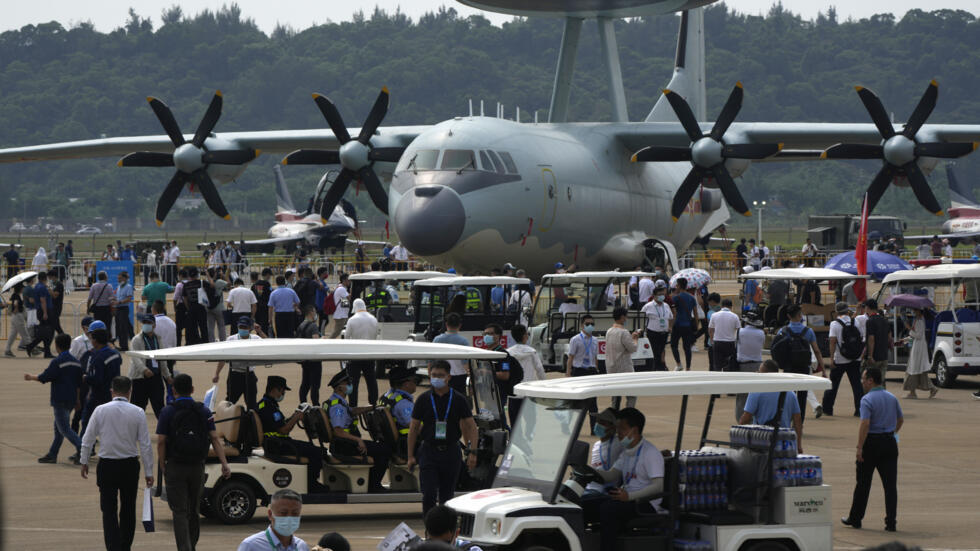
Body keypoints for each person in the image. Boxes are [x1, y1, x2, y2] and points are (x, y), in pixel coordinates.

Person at [157, 373, 231, 551]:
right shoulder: (203, 411)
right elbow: (214, 438)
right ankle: (193, 544)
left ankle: (184, 547)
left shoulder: (168, 411)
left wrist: (162, 464)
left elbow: (161, 441)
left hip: (175, 464)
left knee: (179, 511)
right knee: (193, 509)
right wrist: (224, 463)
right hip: (197, 465)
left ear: (173, 390)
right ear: (192, 390)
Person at [79, 376, 154, 551]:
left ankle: (112, 547)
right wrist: (149, 471)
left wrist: (84, 461)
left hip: (107, 465)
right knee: (128, 509)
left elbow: (87, 438)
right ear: (130, 392)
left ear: (112, 391)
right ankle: (125, 545)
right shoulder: (138, 412)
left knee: (109, 510)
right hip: (129, 465)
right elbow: (145, 444)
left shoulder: (100, 410)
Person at [582, 408, 664, 551]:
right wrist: (588, 471)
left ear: (634, 430)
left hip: (645, 503)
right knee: (585, 505)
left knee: (608, 509)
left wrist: (629, 496)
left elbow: (658, 486)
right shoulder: (627, 452)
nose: (618, 432)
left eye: (622, 429)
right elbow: (611, 474)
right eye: (618, 428)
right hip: (626, 498)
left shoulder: (650, 453)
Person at [407, 360, 479, 514]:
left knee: (447, 497)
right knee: (429, 495)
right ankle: (429, 528)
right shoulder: (423, 399)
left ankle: (446, 531)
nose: (437, 378)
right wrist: (410, 455)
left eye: (440, 375)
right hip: (428, 452)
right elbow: (413, 429)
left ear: (448, 377)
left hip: (451, 451)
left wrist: (473, 451)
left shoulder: (459, 399)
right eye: (434, 375)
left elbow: (471, 426)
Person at [842, 368, 903, 532]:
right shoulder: (892, 397)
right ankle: (891, 522)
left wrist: (860, 447)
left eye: (863, 379)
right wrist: (893, 433)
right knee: (890, 486)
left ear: (870, 380)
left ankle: (855, 518)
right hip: (889, 443)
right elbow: (900, 419)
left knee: (863, 483)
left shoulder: (866, 399)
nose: (862, 382)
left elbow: (865, 424)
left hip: (871, 443)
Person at [24, 333, 84, 464]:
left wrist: (30, 377)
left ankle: (82, 449)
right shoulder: (76, 363)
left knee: (64, 429)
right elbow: (79, 384)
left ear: (57, 346)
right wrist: (78, 400)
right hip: (71, 399)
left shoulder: (57, 362)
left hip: (60, 399)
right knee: (59, 429)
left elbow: (44, 377)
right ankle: (52, 454)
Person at [257, 376, 324, 491]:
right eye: (282, 391)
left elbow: (279, 425)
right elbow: (283, 430)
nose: (283, 394)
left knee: (311, 448)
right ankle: (312, 485)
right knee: (317, 452)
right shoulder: (268, 407)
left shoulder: (266, 404)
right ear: (274, 390)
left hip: (277, 443)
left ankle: (310, 482)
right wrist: (296, 418)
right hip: (278, 446)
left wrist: (293, 416)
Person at [326, 371, 389, 491]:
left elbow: (352, 411)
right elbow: (338, 431)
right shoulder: (337, 407)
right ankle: (373, 485)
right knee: (384, 450)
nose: (350, 385)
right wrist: (358, 440)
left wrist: (372, 407)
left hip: (343, 443)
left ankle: (372, 483)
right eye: (347, 383)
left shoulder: (337, 401)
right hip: (345, 446)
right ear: (339, 387)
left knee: (379, 448)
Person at [773, 304, 825, 420]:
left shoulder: (783, 330)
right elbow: (816, 351)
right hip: (803, 367)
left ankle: (788, 418)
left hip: (789, 367)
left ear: (788, 316)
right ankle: (799, 422)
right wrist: (823, 369)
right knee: (803, 396)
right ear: (800, 315)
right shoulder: (808, 331)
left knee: (788, 395)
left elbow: (776, 349)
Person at [739, 360, 804, 453]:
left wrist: (738, 438)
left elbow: (746, 418)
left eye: (759, 372)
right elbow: (798, 421)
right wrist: (798, 446)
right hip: (784, 443)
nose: (757, 373)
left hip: (762, 441)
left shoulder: (756, 391)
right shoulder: (790, 393)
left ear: (765, 374)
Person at [213, 317, 267, 410]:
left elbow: (269, 344)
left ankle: (251, 422)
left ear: (250, 328)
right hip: (234, 375)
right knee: (230, 402)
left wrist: (260, 331)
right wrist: (217, 374)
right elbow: (223, 358)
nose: (242, 329)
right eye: (240, 326)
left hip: (249, 375)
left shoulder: (255, 338)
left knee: (252, 404)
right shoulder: (231, 339)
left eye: (245, 327)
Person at [80, 322, 123, 436]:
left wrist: (86, 378)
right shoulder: (115, 353)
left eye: (92, 338)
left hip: (98, 395)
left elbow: (97, 379)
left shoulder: (98, 357)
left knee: (87, 422)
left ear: (96, 340)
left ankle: (85, 449)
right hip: (113, 392)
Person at [824, 302, 865, 417]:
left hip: (840, 358)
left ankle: (827, 409)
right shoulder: (855, 321)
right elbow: (861, 338)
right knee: (857, 385)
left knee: (833, 385)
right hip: (855, 358)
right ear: (848, 311)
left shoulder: (834, 324)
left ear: (836, 312)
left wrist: (831, 359)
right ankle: (859, 410)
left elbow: (832, 342)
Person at [127, 314, 172, 418]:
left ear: (154, 325)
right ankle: (133, 431)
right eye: (144, 323)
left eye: (149, 323)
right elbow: (135, 357)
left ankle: (164, 431)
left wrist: (167, 376)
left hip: (155, 378)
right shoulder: (136, 339)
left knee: (159, 407)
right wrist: (144, 369)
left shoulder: (158, 339)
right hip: (140, 378)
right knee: (137, 408)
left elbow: (162, 360)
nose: (146, 325)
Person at [237, 489, 310, 551]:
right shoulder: (251, 546)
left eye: (295, 513)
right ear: (270, 514)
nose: (289, 518)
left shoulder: (302, 546)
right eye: (283, 513)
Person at [344, 298, 379, 406]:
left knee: (353, 382)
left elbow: (347, 337)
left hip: (355, 355)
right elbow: (376, 335)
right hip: (370, 354)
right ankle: (373, 403)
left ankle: (353, 405)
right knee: (371, 380)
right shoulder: (373, 319)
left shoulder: (352, 320)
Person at [567, 315, 599, 428]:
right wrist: (568, 374)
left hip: (591, 371)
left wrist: (597, 370)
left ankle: (594, 427)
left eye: (592, 324)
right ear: (582, 325)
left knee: (593, 402)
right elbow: (570, 357)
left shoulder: (595, 340)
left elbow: (595, 357)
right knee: (577, 401)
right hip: (579, 371)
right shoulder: (575, 339)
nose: (590, 326)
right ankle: (570, 426)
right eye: (587, 324)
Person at [379, 365, 418, 457]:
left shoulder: (387, 396)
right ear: (406, 384)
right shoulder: (403, 403)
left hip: (394, 443)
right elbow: (415, 427)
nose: (416, 384)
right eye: (415, 381)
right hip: (409, 444)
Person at [603, 307, 639, 408]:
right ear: (622, 317)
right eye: (626, 316)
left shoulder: (609, 331)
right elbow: (633, 348)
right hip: (624, 369)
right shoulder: (624, 332)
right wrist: (635, 339)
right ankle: (628, 415)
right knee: (631, 395)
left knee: (615, 396)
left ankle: (614, 415)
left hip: (611, 368)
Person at [584, 408, 624, 497]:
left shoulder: (619, 443)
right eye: (598, 421)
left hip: (602, 490)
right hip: (590, 486)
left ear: (613, 427)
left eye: (603, 423)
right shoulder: (596, 445)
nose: (598, 425)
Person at [900, 307, 938, 399]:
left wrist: (909, 328)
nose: (913, 312)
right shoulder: (917, 320)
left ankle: (913, 392)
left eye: (915, 310)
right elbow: (914, 335)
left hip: (919, 348)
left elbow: (918, 335)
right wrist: (906, 339)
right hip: (917, 346)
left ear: (919, 311)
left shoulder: (920, 321)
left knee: (914, 368)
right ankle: (926, 389)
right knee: (916, 369)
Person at [433, 312, 470, 393]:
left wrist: (431, 375)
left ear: (446, 324)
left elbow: (432, 360)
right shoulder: (464, 341)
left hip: (441, 376)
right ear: (460, 325)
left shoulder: (437, 340)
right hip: (459, 378)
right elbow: (465, 363)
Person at [296, 305, 324, 405]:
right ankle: (315, 405)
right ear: (311, 312)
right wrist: (322, 340)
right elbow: (315, 340)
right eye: (315, 311)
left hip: (305, 359)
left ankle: (303, 403)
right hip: (314, 359)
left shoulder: (301, 325)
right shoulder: (313, 326)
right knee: (315, 385)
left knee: (305, 383)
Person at [863, 299, 892, 389]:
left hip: (874, 357)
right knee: (881, 381)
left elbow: (871, 339)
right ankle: (883, 400)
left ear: (867, 308)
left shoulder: (870, 321)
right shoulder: (885, 320)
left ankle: (870, 400)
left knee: (870, 382)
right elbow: (889, 338)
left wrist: (870, 356)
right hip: (884, 356)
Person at [26, 270, 55, 358]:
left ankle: (45, 351)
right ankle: (32, 346)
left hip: (40, 310)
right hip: (44, 310)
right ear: (45, 278)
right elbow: (43, 300)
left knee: (45, 332)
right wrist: (45, 313)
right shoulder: (42, 287)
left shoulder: (37, 286)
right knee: (48, 331)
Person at [670, 277, 698, 371]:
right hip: (688, 325)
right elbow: (695, 313)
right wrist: (696, 325)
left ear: (679, 286)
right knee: (687, 347)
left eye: (677, 285)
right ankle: (688, 367)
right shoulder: (691, 297)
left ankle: (679, 364)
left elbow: (673, 312)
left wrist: (670, 325)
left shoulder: (676, 298)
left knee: (674, 345)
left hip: (677, 324)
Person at [708, 298, 739, 372]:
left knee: (717, 365)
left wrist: (712, 341)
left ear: (722, 306)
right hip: (730, 343)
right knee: (729, 365)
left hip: (717, 342)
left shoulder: (714, 315)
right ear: (731, 307)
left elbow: (710, 329)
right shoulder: (735, 316)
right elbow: (738, 330)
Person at [4, 282, 30, 357]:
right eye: (22, 287)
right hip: (18, 316)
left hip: (14, 316)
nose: (23, 288)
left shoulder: (16, 295)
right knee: (24, 333)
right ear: (20, 288)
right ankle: (32, 348)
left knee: (13, 334)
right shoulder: (16, 295)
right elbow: (15, 303)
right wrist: (16, 308)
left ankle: (7, 350)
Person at [112, 271, 134, 351]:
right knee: (121, 327)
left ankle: (124, 346)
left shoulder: (128, 286)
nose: (118, 279)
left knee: (123, 328)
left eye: (120, 278)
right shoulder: (119, 286)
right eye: (118, 278)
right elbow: (117, 297)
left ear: (124, 278)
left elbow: (129, 298)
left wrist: (120, 302)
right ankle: (125, 343)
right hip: (118, 308)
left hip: (123, 309)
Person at [327, 272, 351, 339]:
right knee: (336, 332)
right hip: (340, 315)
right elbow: (349, 298)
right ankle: (328, 342)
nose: (349, 282)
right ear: (343, 280)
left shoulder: (343, 288)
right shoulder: (341, 289)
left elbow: (345, 301)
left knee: (339, 331)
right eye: (348, 280)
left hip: (342, 314)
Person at [252, 268, 274, 336]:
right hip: (265, 309)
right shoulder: (267, 284)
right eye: (269, 275)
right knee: (265, 326)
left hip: (257, 308)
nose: (270, 277)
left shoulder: (254, 285)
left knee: (258, 325)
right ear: (267, 275)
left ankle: (258, 337)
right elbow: (271, 293)